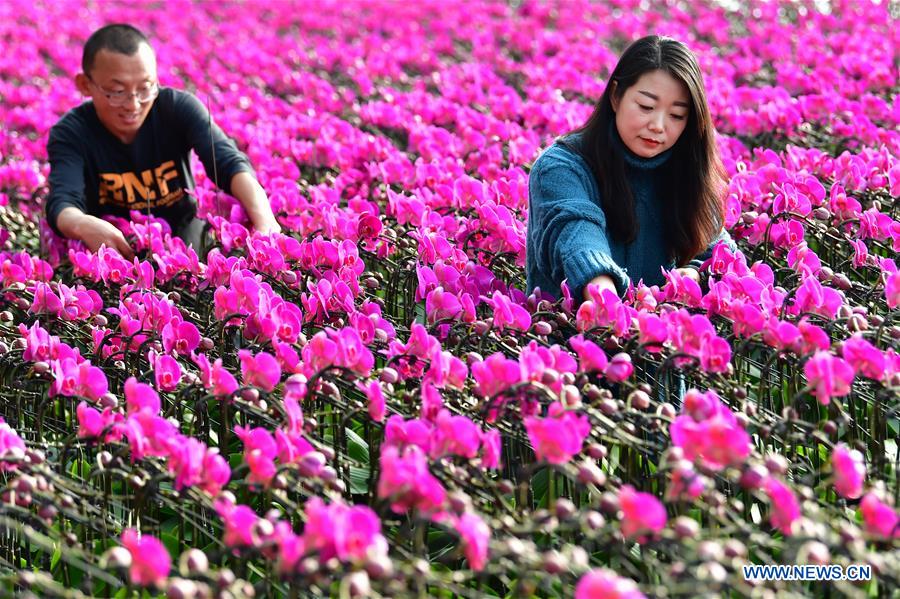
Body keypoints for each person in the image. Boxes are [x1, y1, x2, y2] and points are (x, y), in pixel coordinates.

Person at [526, 35, 736, 304]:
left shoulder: (688, 170)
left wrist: (694, 274)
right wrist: (605, 300)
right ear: (616, 96)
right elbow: (577, 234)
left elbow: (719, 251)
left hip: (662, 342)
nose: (658, 125)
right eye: (646, 107)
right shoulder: (561, 168)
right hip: (572, 338)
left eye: (676, 115)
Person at [45, 24, 281, 260]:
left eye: (146, 88)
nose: (133, 104)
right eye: (117, 92)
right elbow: (63, 202)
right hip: (113, 249)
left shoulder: (178, 109)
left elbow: (227, 162)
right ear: (85, 85)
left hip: (185, 239)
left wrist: (264, 220)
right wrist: (82, 224)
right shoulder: (71, 133)